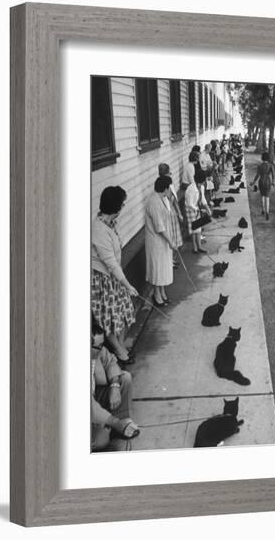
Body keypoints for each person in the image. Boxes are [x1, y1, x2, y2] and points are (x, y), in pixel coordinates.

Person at [92, 186, 138, 364]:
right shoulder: (98, 229)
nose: (124, 205)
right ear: (116, 207)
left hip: (115, 277)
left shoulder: (109, 223)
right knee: (109, 318)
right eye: (122, 203)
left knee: (126, 311)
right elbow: (110, 263)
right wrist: (128, 285)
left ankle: (119, 346)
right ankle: (119, 351)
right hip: (103, 281)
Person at [91, 316, 140, 451]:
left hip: (96, 395)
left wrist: (114, 385)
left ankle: (120, 422)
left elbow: (111, 361)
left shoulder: (98, 351)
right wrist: (114, 422)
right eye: (98, 346)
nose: (101, 349)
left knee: (125, 378)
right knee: (100, 441)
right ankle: (111, 426)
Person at [145, 176, 177, 307]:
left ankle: (162, 292)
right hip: (157, 241)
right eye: (169, 187)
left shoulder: (162, 199)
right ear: (165, 188)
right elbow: (160, 227)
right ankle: (157, 295)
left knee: (163, 268)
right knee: (157, 269)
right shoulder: (153, 202)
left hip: (163, 240)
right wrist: (171, 242)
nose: (170, 189)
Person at [158, 163, 183, 268]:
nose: (170, 175)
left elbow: (175, 200)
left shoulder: (170, 184)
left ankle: (172, 259)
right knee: (169, 239)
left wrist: (179, 213)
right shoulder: (160, 186)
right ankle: (169, 262)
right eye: (169, 173)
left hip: (173, 213)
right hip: (166, 216)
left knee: (175, 238)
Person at [184, 169, 211, 254]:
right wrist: (198, 209)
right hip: (190, 209)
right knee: (194, 228)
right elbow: (189, 203)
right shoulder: (190, 189)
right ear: (199, 181)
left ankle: (199, 246)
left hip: (196, 208)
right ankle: (195, 247)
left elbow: (202, 198)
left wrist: (208, 209)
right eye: (203, 181)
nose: (204, 183)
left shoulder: (201, 187)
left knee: (198, 229)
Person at [252, 152, 275, 220]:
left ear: (262, 158)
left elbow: (257, 175)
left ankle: (263, 209)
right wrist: (273, 181)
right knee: (267, 197)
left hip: (261, 181)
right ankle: (267, 212)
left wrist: (253, 182)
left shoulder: (260, 165)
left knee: (262, 195)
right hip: (268, 181)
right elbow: (273, 175)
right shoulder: (271, 165)